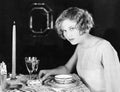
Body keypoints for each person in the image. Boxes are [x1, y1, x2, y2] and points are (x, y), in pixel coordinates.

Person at [39, 7, 120, 92]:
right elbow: (67, 69)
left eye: (71, 29)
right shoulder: (80, 46)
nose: (67, 35)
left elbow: (115, 87)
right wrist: (49, 72)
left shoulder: (104, 47)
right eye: (64, 30)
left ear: (83, 25)